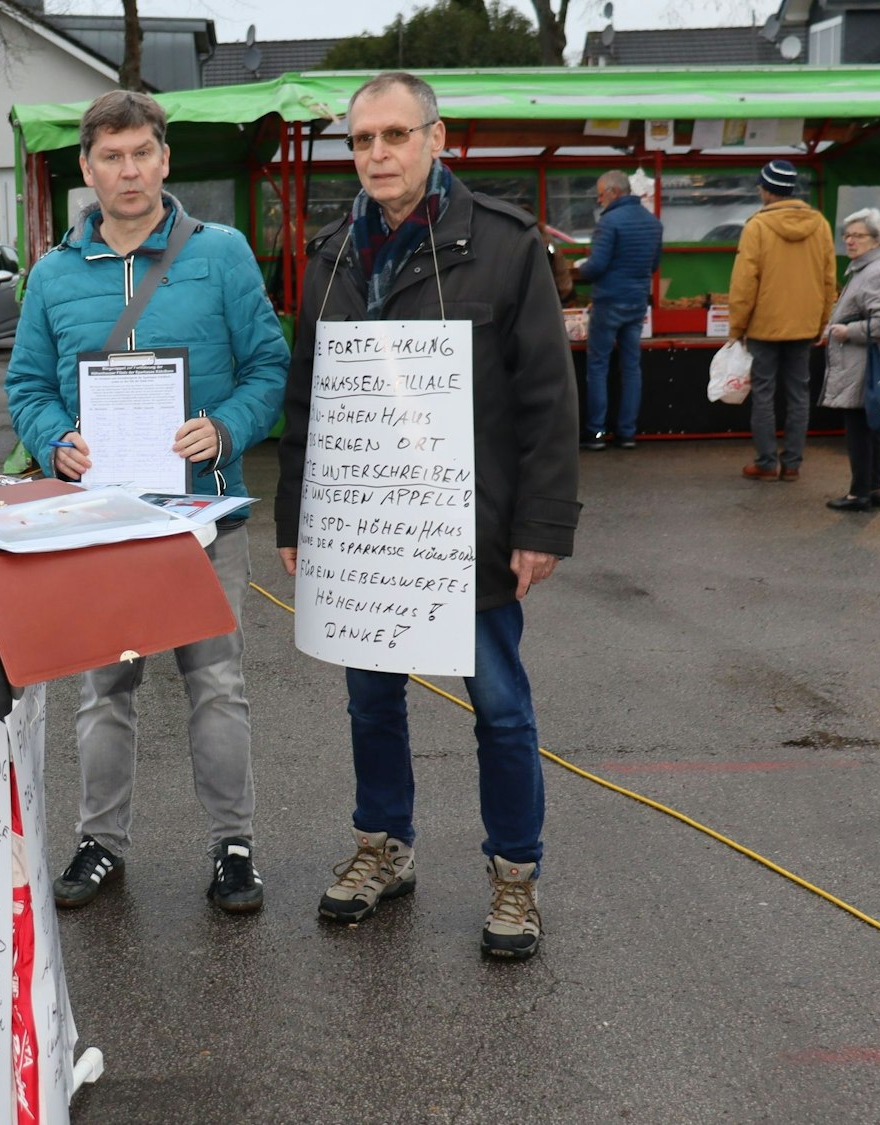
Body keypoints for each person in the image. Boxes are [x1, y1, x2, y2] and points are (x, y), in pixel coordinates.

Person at [274, 72, 580, 959]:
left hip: (470, 531)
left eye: (395, 135)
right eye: (362, 140)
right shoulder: (331, 254)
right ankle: (384, 847)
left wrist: (543, 525)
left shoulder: (504, 246)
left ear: (438, 140)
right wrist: (298, 522)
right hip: (364, 533)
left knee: (503, 710)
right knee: (370, 699)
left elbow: (547, 400)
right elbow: (309, 401)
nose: (377, 154)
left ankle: (514, 876)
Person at [5, 90, 289, 915]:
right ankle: (101, 841)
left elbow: (269, 367)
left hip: (203, 515)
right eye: (111, 157)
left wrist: (227, 429)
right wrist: (57, 438)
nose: (128, 171)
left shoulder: (224, 254)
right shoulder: (53, 274)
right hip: (101, 522)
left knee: (218, 683)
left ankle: (233, 846)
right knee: (105, 689)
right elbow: (25, 385)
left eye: (142, 154)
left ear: (165, 160)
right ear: (87, 169)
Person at [727, 159, 837, 483]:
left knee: (763, 392)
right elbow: (828, 278)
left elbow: (744, 282)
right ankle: (792, 464)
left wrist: (737, 327)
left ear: (766, 190)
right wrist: (820, 322)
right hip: (803, 324)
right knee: (798, 393)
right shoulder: (820, 225)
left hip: (764, 325)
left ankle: (765, 462)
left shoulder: (757, 227)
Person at [819, 208, 880, 511]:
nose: (849, 241)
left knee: (858, 430)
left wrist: (846, 331)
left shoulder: (876, 271)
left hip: (864, 364)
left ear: (877, 239)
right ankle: (873, 487)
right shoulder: (867, 268)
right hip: (863, 362)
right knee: (868, 427)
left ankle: (859, 494)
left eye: (858, 236)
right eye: (847, 235)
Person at [573, 169, 663, 450]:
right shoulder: (652, 223)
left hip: (609, 301)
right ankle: (627, 433)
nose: (599, 200)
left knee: (598, 366)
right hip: (636, 302)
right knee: (631, 367)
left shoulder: (609, 222)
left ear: (613, 192)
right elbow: (653, 266)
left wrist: (579, 268)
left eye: (601, 194)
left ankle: (597, 432)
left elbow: (597, 266)